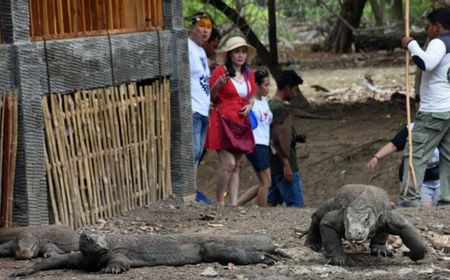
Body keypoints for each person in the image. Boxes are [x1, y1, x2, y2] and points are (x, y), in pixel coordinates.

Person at [399, 7, 450, 207]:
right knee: (448, 156)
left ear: (437, 27)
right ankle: (447, 200)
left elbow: (426, 63)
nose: (427, 30)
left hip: (434, 110)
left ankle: (409, 200)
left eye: (429, 26)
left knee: (416, 153)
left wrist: (411, 44)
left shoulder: (438, 42)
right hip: (448, 108)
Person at [205, 36, 257, 206]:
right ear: (229, 54)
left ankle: (233, 204)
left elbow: (252, 96)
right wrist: (218, 84)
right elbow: (211, 97)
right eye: (236, 52)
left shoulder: (249, 73)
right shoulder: (220, 71)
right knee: (228, 164)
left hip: (241, 123)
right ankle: (219, 201)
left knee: (237, 166)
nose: (240, 55)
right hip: (222, 121)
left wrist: (250, 105)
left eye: (243, 52)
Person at [366, 123, 441, 207]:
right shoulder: (411, 129)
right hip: (416, 178)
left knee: (441, 207)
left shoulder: (445, 127)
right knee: (424, 208)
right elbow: (394, 145)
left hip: (440, 176)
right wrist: (376, 157)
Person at [267, 70, 305, 207]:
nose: (295, 93)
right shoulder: (279, 109)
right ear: (287, 88)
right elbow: (279, 140)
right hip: (284, 166)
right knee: (296, 205)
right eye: (294, 89)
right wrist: (287, 166)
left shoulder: (269, 105)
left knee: (270, 202)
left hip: (272, 165)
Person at [237, 69, 273, 207]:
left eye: (269, 85)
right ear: (256, 85)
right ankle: (261, 211)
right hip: (255, 143)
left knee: (263, 182)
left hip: (264, 143)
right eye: (265, 85)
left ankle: (237, 204)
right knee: (266, 182)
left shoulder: (264, 101)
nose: (268, 89)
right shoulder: (250, 103)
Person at [188, 12, 214, 204]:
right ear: (192, 27)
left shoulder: (202, 51)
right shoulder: (186, 47)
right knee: (193, 151)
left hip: (204, 108)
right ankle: (190, 192)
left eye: (209, 27)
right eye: (202, 25)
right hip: (193, 108)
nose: (205, 30)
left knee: (199, 153)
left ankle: (194, 190)